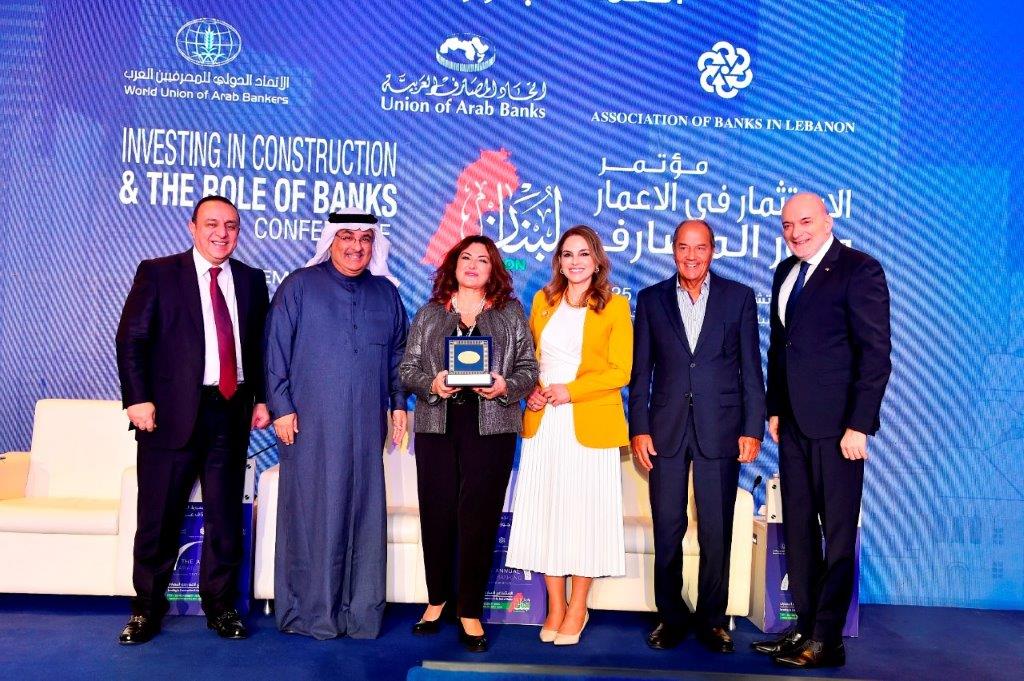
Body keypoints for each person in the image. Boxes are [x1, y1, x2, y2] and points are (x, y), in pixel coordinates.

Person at [115, 195, 270, 644]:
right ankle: (146, 611)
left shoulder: (252, 280)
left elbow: (258, 347)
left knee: (225, 518)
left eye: (231, 226)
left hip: (231, 411)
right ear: (192, 227)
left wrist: (261, 398)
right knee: (158, 518)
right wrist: (137, 399)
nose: (222, 233)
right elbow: (131, 339)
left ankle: (221, 609)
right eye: (212, 224)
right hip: (168, 415)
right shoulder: (158, 273)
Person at [753, 193, 891, 669]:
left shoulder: (859, 269)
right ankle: (804, 628)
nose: (796, 232)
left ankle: (827, 639)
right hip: (792, 425)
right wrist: (775, 408)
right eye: (787, 225)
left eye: (805, 222)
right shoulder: (784, 272)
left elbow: (875, 354)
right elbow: (780, 347)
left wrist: (859, 425)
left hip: (839, 430)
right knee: (798, 531)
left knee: (837, 533)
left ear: (828, 221)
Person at [263, 209, 408, 640]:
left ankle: (359, 614)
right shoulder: (299, 286)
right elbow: (275, 349)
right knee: (313, 512)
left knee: (364, 512)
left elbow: (398, 355)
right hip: (310, 426)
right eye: (346, 237)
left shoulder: (386, 293)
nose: (356, 247)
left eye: (365, 239)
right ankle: (311, 613)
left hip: (366, 427)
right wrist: (281, 408)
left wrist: (399, 404)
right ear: (331, 241)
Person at [628, 219, 765, 653]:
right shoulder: (651, 299)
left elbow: (751, 368)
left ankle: (712, 620)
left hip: (721, 428)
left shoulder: (738, 298)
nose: (692, 256)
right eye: (684, 247)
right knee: (668, 526)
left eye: (700, 247)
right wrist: (639, 428)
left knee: (716, 528)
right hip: (664, 430)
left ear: (712, 251)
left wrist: (752, 428)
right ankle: (670, 617)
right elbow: (640, 373)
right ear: (673, 250)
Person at [399, 235, 538, 652]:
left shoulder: (510, 313)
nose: (473, 264)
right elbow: (407, 369)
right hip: (436, 425)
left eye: (483, 259)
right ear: (453, 265)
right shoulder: (430, 313)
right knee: (437, 514)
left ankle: (470, 610)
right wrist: (432, 384)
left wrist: (505, 386)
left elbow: (529, 368)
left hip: (491, 428)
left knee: (479, 518)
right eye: (466, 257)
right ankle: (437, 600)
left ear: (494, 270)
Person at [505, 225, 633, 646]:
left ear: (597, 261)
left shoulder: (614, 307)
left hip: (588, 422)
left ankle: (578, 607)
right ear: (559, 262)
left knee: (583, 516)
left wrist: (570, 391)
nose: (575, 262)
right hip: (544, 423)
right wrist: (532, 390)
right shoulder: (542, 301)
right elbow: (528, 360)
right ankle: (555, 606)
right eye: (567, 254)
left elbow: (620, 371)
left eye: (583, 254)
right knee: (547, 513)